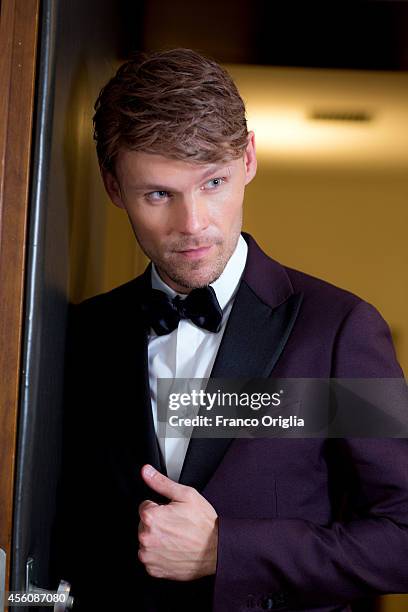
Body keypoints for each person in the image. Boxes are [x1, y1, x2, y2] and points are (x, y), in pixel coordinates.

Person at [58, 48, 408, 612]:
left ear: (247, 158)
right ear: (113, 187)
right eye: (158, 195)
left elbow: (402, 538)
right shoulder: (81, 333)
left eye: (213, 182)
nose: (192, 224)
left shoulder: (340, 330)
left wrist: (228, 549)